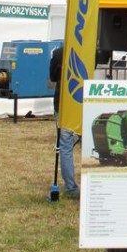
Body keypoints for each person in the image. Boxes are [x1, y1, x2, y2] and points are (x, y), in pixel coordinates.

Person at [49, 45, 80, 198]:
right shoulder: (88, 50)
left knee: (65, 145)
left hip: (63, 101)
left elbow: (53, 77)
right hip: (82, 100)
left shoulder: (59, 52)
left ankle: (71, 187)